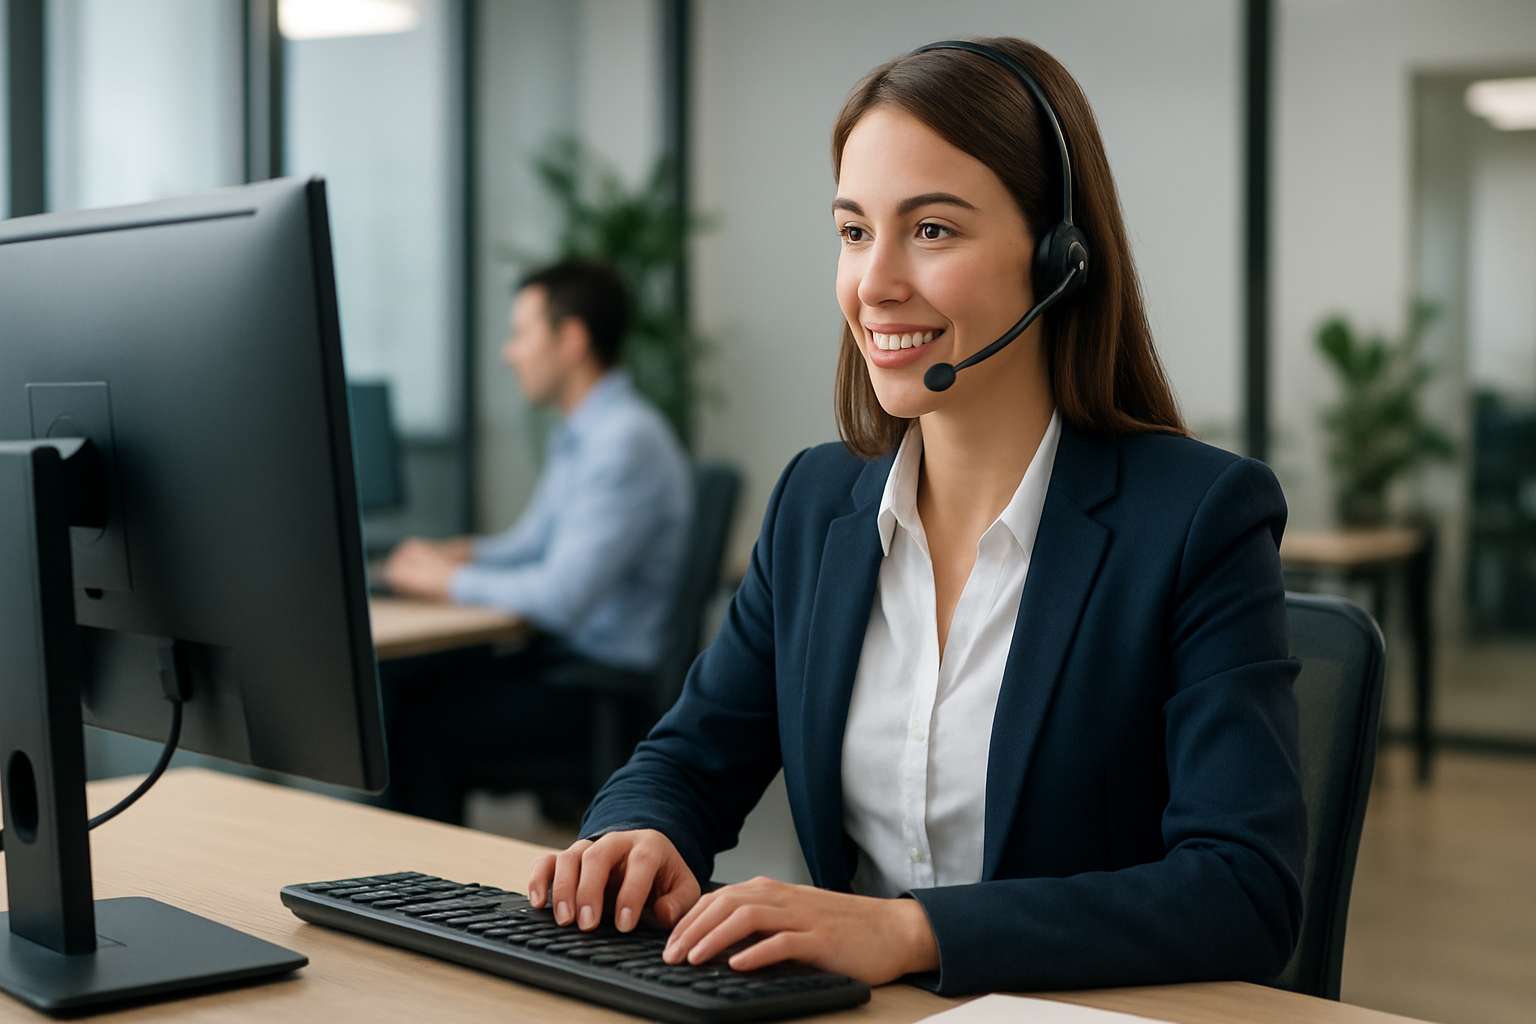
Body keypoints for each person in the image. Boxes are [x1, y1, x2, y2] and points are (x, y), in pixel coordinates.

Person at [528, 38, 1306, 995]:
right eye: (854, 232)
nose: (876, 283)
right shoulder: (817, 506)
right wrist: (637, 830)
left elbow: (1241, 892)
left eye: (932, 231)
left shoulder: (1196, 520)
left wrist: (910, 932)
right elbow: (689, 756)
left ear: (1058, 258)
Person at [384, 259, 693, 824]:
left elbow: (561, 595)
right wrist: (465, 553)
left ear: (570, 339)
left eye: (521, 333)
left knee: (411, 717)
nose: (510, 352)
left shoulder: (623, 440)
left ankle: (420, 895)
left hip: (604, 689)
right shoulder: (584, 430)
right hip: (571, 663)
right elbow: (535, 542)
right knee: (405, 686)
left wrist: (447, 580)